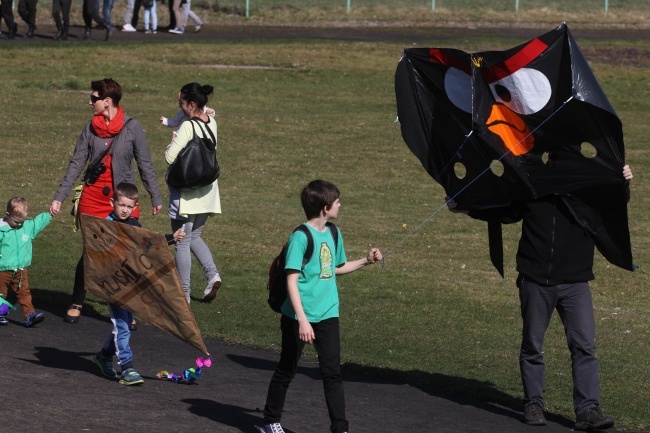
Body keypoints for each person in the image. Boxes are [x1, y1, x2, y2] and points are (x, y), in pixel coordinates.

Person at [450, 165, 634, 431]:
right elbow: (505, 211)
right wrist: (466, 207)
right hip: (536, 280)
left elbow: (614, 199)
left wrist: (624, 181)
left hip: (575, 282)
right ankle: (533, 403)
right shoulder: (533, 184)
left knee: (584, 347)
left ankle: (587, 409)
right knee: (532, 345)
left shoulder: (588, 187)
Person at [260, 180, 383, 433]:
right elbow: (291, 281)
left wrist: (366, 261)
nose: (340, 205)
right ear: (325, 208)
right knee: (287, 369)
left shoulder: (334, 233)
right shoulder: (300, 238)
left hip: (328, 313)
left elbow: (336, 268)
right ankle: (270, 421)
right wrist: (303, 320)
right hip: (298, 315)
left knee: (332, 373)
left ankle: (340, 428)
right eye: (337, 201)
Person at [50, 78, 163, 325]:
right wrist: (60, 197)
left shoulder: (133, 127)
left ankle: (127, 308)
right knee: (91, 254)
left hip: (123, 200)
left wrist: (155, 195)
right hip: (92, 200)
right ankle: (78, 301)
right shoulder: (90, 129)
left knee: (127, 255)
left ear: (107, 101)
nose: (90, 102)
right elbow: (76, 164)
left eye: (94, 98)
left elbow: (145, 164)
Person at [93, 183, 185, 385]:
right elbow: (97, 254)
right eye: (121, 205)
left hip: (132, 286)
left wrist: (171, 238)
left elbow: (148, 245)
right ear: (112, 203)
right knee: (123, 327)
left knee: (123, 326)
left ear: (135, 206)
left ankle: (103, 356)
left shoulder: (135, 224)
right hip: (115, 286)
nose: (125, 209)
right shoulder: (105, 225)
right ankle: (127, 368)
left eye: (129, 206)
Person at [165, 82, 221, 304]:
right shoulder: (212, 123)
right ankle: (212, 274)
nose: (180, 107)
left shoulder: (188, 127)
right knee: (194, 236)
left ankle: (183, 295)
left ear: (191, 104)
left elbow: (170, 158)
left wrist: (171, 143)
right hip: (207, 192)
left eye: (181, 103)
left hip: (186, 195)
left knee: (182, 242)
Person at [0, 197, 51, 327]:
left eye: (22, 221)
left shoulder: (26, 227)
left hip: (21, 269)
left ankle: (30, 315)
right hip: (3, 268)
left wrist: (49, 214)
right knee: (1, 293)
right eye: (16, 221)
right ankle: (1, 313)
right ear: (7, 215)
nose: (19, 224)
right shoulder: (2, 230)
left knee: (24, 293)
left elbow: (37, 223)